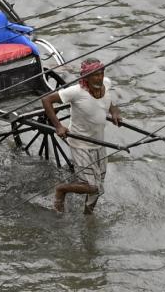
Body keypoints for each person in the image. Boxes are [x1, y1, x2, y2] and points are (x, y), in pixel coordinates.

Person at [41, 58, 122, 214]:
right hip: (80, 143)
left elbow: (109, 101)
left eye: (101, 73)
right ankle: (61, 189)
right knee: (92, 186)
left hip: (98, 142)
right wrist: (58, 126)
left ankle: (88, 215)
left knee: (99, 186)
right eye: (94, 75)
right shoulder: (76, 92)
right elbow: (46, 100)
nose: (99, 78)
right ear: (85, 77)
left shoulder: (106, 83)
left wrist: (114, 112)